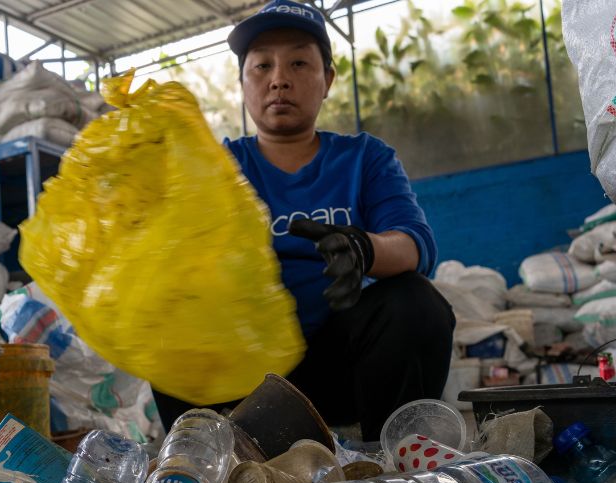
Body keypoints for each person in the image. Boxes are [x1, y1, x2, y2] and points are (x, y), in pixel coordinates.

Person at [153, 0, 456, 443]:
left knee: (416, 303)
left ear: (327, 79)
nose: (279, 79)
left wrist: (364, 249)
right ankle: (205, 467)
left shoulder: (364, 158)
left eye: (298, 62)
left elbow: (414, 245)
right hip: (243, 379)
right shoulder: (216, 167)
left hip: (341, 368)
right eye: (261, 66)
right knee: (166, 318)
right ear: (242, 83)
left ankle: (390, 463)